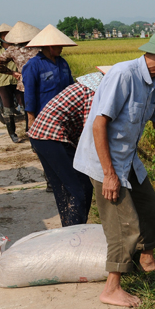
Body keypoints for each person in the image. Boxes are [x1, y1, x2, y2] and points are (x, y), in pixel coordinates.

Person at [73, 31, 155, 307]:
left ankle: (147, 260)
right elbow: (99, 124)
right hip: (104, 160)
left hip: (127, 158)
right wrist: (109, 174)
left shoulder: (152, 82)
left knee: (151, 209)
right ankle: (111, 288)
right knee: (124, 223)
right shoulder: (123, 75)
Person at [28, 70, 108, 226]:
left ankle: (68, 228)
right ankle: (76, 232)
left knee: (63, 187)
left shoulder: (81, 88)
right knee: (81, 187)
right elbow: (90, 131)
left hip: (40, 136)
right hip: (52, 137)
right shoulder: (93, 94)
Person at [21, 25, 76, 130]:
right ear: (50, 46)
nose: (62, 48)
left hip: (64, 112)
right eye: (59, 46)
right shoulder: (33, 64)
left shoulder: (63, 63)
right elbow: (29, 92)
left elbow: (70, 86)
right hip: (43, 113)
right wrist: (31, 117)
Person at [0, 21, 42, 134]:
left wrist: (12, 73)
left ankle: (32, 136)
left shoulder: (12, 49)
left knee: (29, 112)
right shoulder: (40, 47)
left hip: (25, 85)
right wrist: (12, 73)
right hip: (43, 83)